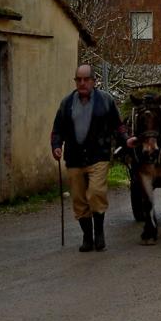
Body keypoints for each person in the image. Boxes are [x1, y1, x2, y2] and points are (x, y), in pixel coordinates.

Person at [50, 65, 129, 252]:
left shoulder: (106, 101)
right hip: (74, 158)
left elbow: (118, 126)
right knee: (78, 199)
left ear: (94, 81)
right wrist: (56, 147)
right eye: (79, 79)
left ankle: (99, 233)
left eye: (86, 79)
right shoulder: (67, 103)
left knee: (95, 193)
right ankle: (87, 237)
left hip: (98, 156)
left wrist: (126, 141)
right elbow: (57, 129)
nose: (82, 83)